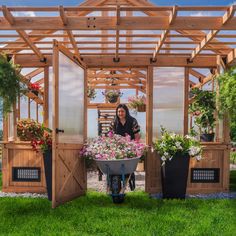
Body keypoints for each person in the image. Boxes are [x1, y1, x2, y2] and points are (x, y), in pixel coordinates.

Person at [109, 104, 141, 190]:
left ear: (126, 111)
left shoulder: (132, 121)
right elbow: (111, 135)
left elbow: (137, 134)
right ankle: (115, 179)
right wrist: (112, 146)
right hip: (117, 147)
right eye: (118, 111)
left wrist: (136, 146)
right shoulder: (114, 122)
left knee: (128, 164)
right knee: (116, 164)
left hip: (130, 146)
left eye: (122, 111)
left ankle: (130, 175)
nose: (120, 113)